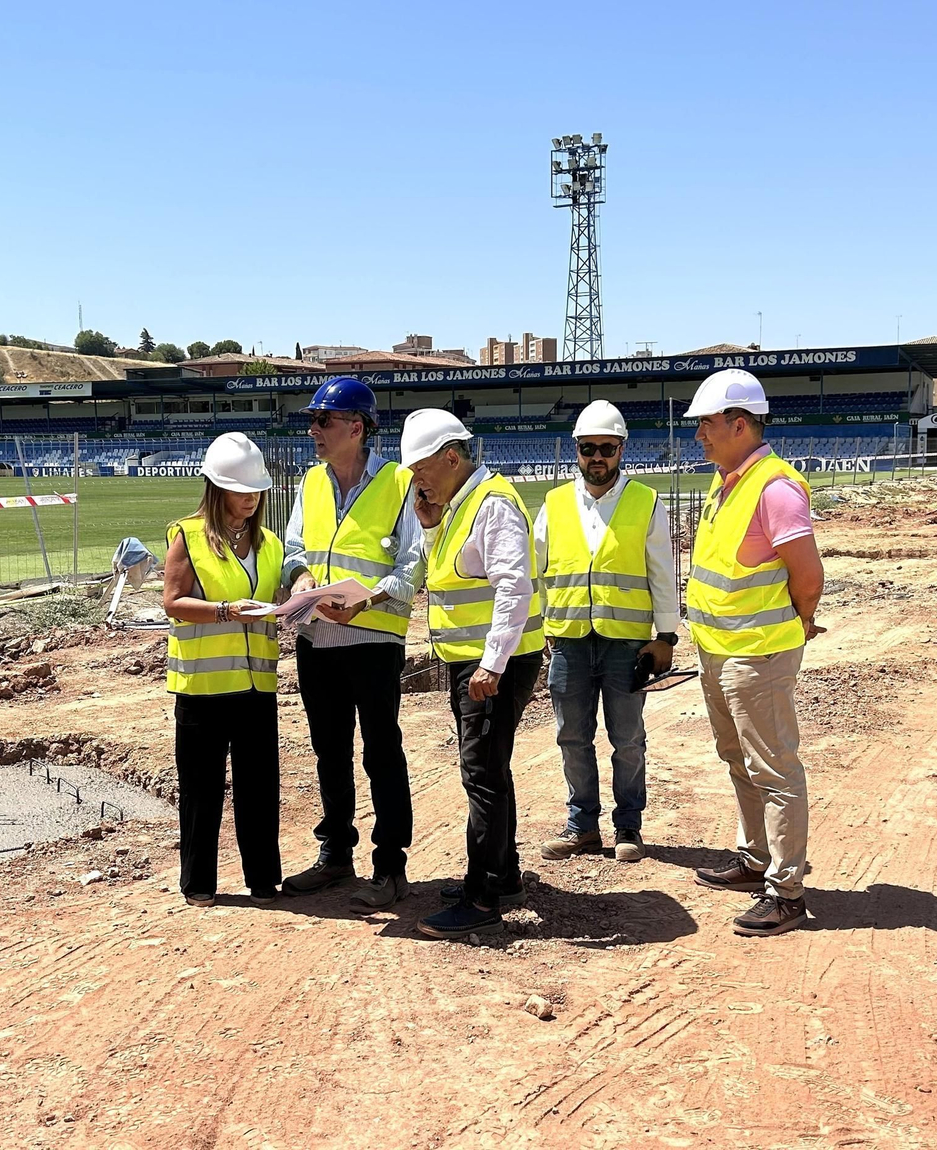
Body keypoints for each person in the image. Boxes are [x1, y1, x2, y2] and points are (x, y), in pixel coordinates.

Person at [684, 369, 825, 937]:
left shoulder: (774, 487)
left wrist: (802, 618)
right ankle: (755, 857)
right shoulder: (728, 482)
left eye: (707, 424)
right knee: (736, 758)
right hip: (720, 651)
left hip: (757, 655)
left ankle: (786, 891)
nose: (699, 434)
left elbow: (807, 575)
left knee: (775, 769)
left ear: (739, 424)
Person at [279, 376, 423, 910]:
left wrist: (369, 599)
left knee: (382, 752)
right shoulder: (310, 483)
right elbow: (295, 546)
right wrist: (298, 580)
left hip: (372, 639)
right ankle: (336, 853)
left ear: (357, 427)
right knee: (329, 753)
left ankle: (390, 866)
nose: (313, 429)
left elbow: (413, 564)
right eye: (313, 420)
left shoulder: (400, 483)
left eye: (324, 420)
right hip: (317, 638)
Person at [401, 409, 544, 940]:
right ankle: (502, 879)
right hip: (472, 659)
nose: (417, 481)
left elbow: (514, 588)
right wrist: (431, 524)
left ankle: (484, 895)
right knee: (489, 769)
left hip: (492, 664)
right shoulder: (459, 505)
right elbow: (453, 571)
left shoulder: (495, 505)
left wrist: (492, 662)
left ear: (451, 459)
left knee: (481, 774)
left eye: (421, 470)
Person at [533, 400, 679, 864]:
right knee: (571, 737)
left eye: (607, 448)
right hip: (570, 642)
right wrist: (539, 631)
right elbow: (535, 574)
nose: (598, 457)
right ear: (576, 450)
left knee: (628, 739)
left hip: (625, 643)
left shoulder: (646, 502)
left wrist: (666, 636)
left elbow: (662, 573)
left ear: (621, 450)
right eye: (589, 448)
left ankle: (628, 827)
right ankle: (582, 826)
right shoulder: (554, 504)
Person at [162, 432, 284, 907]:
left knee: (259, 786)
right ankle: (198, 882)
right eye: (240, 488)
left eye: (256, 489)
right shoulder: (187, 536)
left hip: (256, 684)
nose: (250, 497)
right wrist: (227, 610)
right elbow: (173, 602)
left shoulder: (269, 544)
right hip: (203, 686)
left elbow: (276, 600)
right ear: (217, 487)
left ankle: (262, 879)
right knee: (200, 788)